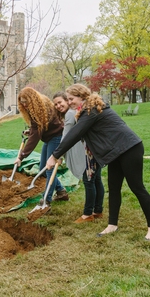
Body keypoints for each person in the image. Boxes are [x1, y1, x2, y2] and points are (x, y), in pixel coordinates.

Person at [47, 83, 150, 239]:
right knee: (114, 189)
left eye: (71, 99)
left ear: (81, 96)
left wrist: (54, 155)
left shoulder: (92, 110)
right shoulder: (86, 111)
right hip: (115, 152)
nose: (69, 102)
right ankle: (112, 225)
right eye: (68, 100)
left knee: (137, 188)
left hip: (130, 149)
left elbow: (75, 133)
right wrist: (59, 155)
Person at [53, 92, 105, 223]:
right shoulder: (74, 112)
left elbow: (66, 137)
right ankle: (98, 210)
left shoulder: (70, 114)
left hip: (89, 151)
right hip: (96, 148)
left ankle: (88, 214)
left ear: (67, 101)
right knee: (96, 179)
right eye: (56, 104)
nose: (59, 106)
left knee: (89, 181)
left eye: (61, 102)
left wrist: (57, 155)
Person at [15, 87, 68, 208]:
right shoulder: (36, 105)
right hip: (49, 137)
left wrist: (21, 156)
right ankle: (61, 191)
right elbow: (39, 127)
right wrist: (31, 131)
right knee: (43, 170)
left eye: (26, 101)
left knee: (49, 170)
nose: (24, 104)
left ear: (32, 99)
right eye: (21, 102)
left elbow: (36, 135)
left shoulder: (39, 107)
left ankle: (46, 200)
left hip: (56, 136)